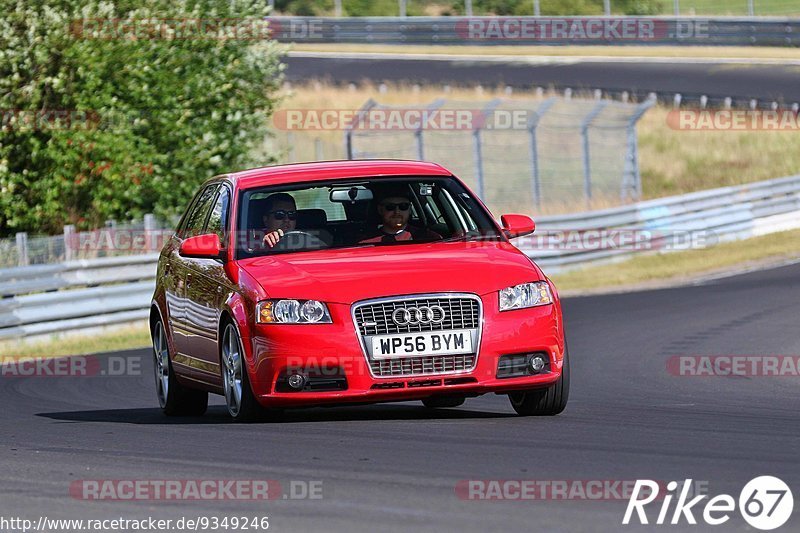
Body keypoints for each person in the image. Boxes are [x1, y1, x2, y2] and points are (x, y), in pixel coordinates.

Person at [360, 186, 441, 244]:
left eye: (403, 206)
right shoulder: (366, 243)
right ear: (380, 210)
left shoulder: (429, 238)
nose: (397, 212)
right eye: (390, 207)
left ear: (410, 209)